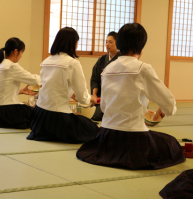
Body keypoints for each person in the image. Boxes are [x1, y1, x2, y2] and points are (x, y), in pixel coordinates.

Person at [77, 23, 185, 170]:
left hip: (106, 135)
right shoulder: (143, 68)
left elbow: (103, 107)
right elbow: (169, 103)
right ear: (141, 46)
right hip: (133, 136)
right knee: (170, 143)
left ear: (119, 44)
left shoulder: (107, 69)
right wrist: (164, 109)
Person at [27, 27, 99, 144]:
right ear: (73, 43)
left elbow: (52, 87)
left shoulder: (47, 61)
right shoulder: (73, 63)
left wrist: (71, 93)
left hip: (39, 117)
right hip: (58, 118)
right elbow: (82, 97)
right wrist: (90, 98)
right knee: (92, 129)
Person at [0, 37, 41, 129]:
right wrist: (46, 77)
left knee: (30, 108)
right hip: (7, 112)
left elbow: (2, 90)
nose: (21, 56)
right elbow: (34, 80)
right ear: (16, 51)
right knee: (39, 113)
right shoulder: (12, 66)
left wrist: (22, 91)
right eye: (21, 53)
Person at [90, 31, 122, 121]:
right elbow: (94, 79)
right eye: (106, 42)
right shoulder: (101, 60)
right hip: (101, 97)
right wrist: (94, 96)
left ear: (118, 43)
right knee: (94, 115)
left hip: (115, 97)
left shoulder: (122, 59)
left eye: (110, 42)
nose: (107, 44)